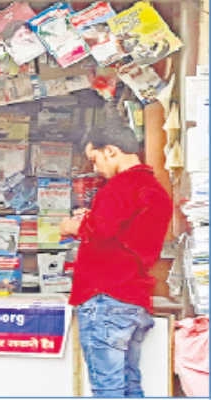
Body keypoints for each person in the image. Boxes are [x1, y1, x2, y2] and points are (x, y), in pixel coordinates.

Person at [59, 123, 172, 397]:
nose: (95, 167)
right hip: (133, 298)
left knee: (107, 389)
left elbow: (99, 230)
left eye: (95, 158)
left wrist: (71, 226)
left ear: (110, 151)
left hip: (105, 299)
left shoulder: (121, 186)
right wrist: (92, 218)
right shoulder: (155, 189)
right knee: (130, 384)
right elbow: (122, 235)